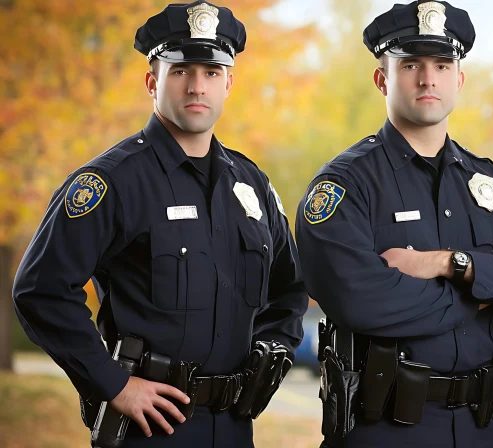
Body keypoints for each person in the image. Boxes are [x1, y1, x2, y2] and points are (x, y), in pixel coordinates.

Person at [12, 2, 307, 447]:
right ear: (153, 82)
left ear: (229, 82)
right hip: (148, 429)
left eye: (211, 72)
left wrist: (274, 351)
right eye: (180, 70)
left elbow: (290, 286)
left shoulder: (252, 186)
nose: (196, 86)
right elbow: (41, 289)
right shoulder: (114, 180)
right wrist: (113, 383)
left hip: (233, 428)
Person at [294, 1, 493, 447]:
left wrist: (455, 265)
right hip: (385, 428)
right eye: (411, 64)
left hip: (485, 427)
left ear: (458, 80)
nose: (428, 78)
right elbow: (361, 302)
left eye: (442, 64)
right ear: (382, 78)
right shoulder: (344, 186)